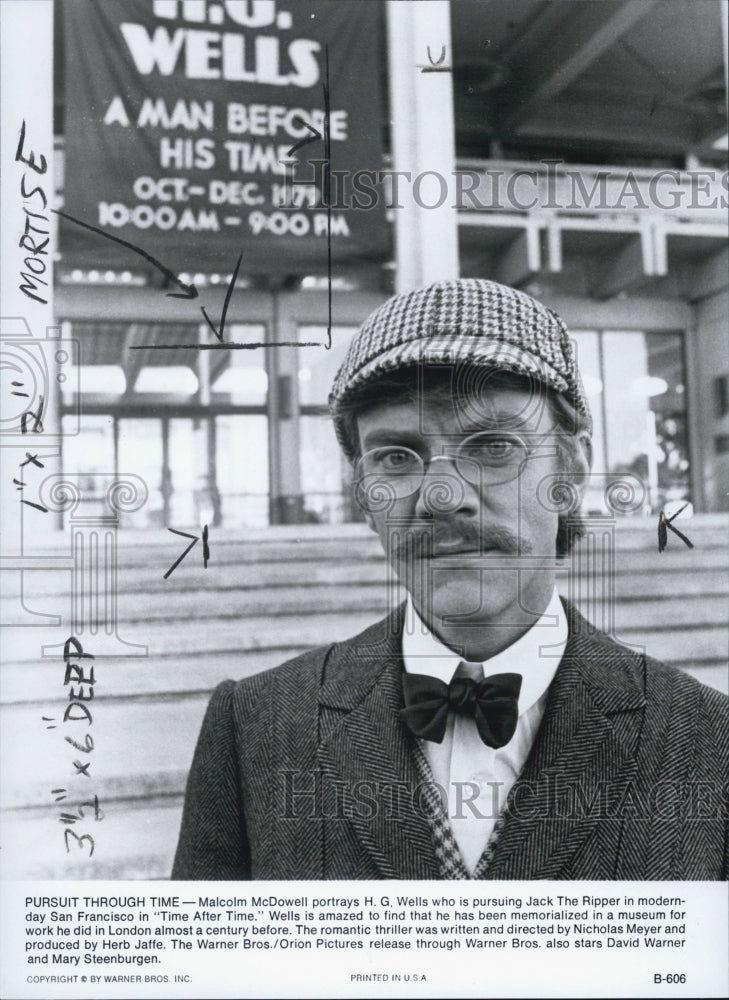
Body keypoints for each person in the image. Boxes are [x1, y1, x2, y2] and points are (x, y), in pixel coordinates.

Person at [172, 279, 728, 880]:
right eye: (396, 456)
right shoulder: (252, 727)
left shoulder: (707, 742)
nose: (442, 497)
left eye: (492, 446)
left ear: (571, 470)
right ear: (363, 490)